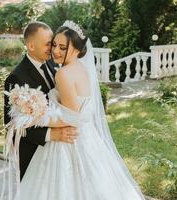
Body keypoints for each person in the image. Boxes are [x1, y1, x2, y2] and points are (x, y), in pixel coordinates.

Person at [15, 20, 146, 199]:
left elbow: (72, 116)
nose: (55, 51)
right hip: (87, 138)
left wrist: (35, 117)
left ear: (77, 49)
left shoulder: (62, 73)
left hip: (69, 142)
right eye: (54, 45)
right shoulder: (81, 68)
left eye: (62, 47)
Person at [4, 21, 78, 180]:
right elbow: (12, 125)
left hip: (58, 153)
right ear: (31, 46)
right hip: (33, 154)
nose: (53, 49)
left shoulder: (52, 63)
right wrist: (51, 134)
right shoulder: (17, 77)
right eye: (48, 44)